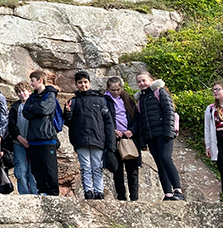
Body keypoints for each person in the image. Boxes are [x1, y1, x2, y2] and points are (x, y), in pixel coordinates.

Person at [64, 71, 116, 200]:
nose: (83, 85)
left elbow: (108, 122)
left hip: (98, 138)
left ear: (89, 83)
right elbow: (68, 122)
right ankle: (88, 191)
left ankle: (99, 191)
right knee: (85, 167)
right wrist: (68, 113)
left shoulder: (99, 100)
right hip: (81, 139)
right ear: (76, 84)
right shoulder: (73, 101)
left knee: (97, 167)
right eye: (80, 83)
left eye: (85, 82)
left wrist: (110, 144)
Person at [135, 71, 185, 201]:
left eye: (143, 80)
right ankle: (168, 193)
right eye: (139, 81)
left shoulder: (160, 92)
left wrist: (169, 132)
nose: (141, 83)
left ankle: (178, 191)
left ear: (151, 80)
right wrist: (142, 141)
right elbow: (140, 121)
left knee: (165, 158)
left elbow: (169, 111)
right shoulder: (141, 99)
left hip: (163, 132)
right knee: (159, 163)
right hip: (150, 135)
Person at [23, 70, 60, 196]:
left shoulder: (50, 95)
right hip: (33, 138)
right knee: (36, 169)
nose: (31, 83)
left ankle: (53, 193)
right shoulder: (32, 97)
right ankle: (42, 191)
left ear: (40, 80)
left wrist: (34, 109)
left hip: (47, 138)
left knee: (50, 169)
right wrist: (36, 109)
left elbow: (45, 109)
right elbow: (25, 112)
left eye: (32, 81)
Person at [104, 76, 141, 201]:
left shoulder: (128, 99)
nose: (116, 92)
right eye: (113, 90)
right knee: (117, 170)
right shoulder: (104, 100)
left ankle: (134, 198)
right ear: (107, 89)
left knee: (133, 170)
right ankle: (121, 198)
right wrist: (112, 131)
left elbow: (136, 118)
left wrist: (132, 130)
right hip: (114, 139)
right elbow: (102, 120)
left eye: (118, 89)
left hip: (129, 138)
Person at [8, 81, 37, 195]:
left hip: (33, 142)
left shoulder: (34, 105)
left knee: (33, 170)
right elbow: (12, 125)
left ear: (29, 91)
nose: (21, 94)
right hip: (18, 142)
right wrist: (19, 138)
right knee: (21, 169)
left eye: (23, 91)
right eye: (19, 92)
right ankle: (24, 193)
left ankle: (35, 192)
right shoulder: (15, 107)